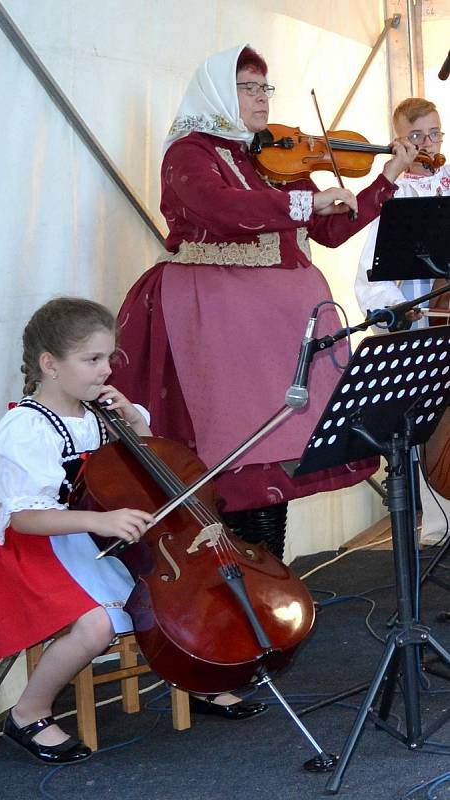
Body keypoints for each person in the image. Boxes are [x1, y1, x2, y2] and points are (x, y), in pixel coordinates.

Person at [112, 43, 418, 561]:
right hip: (219, 317)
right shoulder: (190, 152)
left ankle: (270, 580)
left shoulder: (275, 155)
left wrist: (383, 181)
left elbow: (328, 229)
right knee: (237, 446)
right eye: (248, 87)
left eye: (264, 87)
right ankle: (239, 588)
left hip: (275, 323)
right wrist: (304, 200)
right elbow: (219, 207)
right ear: (215, 92)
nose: (262, 98)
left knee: (279, 452)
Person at [0, 297, 157, 764]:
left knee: (165, 595)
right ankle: (28, 711)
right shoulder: (25, 428)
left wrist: (132, 421)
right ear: (49, 365)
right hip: (35, 548)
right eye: (93, 360)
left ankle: (197, 674)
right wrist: (100, 521)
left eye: (109, 359)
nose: (105, 371)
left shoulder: (100, 413)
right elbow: (26, 518)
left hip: (95, 541)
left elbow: (149, 458)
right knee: (96, 625)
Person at [355, 97, 449, 327]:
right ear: (399, 142)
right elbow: (371, 275)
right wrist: (399, 306)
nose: (428, 144)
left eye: (435, 133)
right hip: (422, 320)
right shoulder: (394, 195)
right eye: (416, 136)